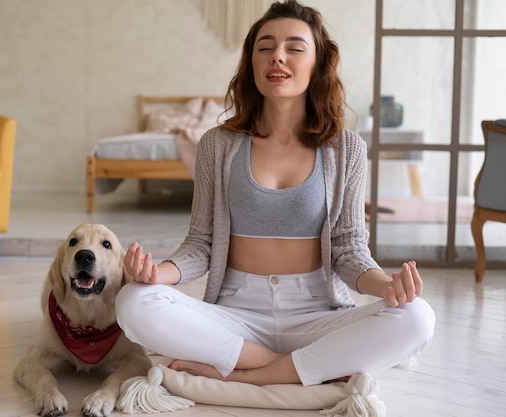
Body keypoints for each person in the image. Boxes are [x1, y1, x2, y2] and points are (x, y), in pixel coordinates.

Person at [116, 0, 435, 387]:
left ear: (318, 64)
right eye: (265, 47)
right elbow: (200, 244)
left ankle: (249, 374)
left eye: (294, 48)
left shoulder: (346, 148)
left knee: (418, 317)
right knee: (133, 301)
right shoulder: (216, 145)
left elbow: (349, 250)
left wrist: (386, 286)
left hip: (316, 314)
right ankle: (296, 367)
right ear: (251, 62)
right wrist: (156, 274)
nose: (277, 57)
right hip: (236, 315)